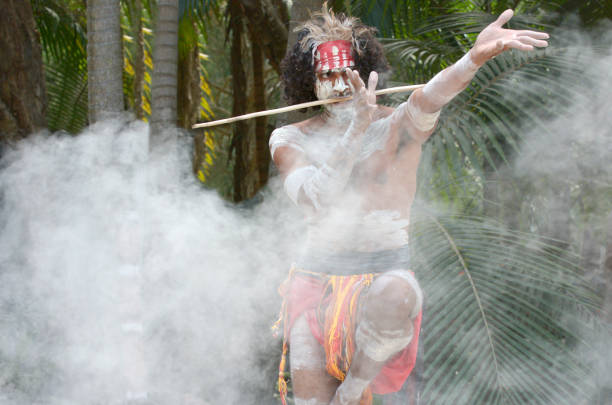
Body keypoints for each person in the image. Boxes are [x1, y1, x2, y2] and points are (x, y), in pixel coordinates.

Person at [270, 5, 549, 405]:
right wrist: (355, 129)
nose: (337, 85)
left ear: (365, 74)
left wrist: (474, 58)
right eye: (325, 75)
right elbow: (318, 196)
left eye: (345, 73)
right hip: (315, 284)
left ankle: (352, 390)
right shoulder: (289, 138)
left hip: (384, 280)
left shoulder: (399, 124)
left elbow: (432, 94)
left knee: (394, 293)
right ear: (308, 82)